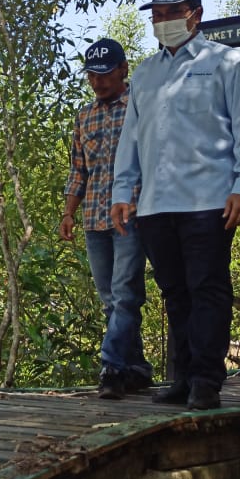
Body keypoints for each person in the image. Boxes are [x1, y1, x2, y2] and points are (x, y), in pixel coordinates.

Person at [111, 0, 240, 410]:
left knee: (208, 289)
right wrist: (123, 191)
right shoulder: (144, 74)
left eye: (169, 14)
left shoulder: (228, 63)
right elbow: (131, 140)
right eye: (156, 16)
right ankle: (182, 377)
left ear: (193, 15)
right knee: (174, 292)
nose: (161, 22)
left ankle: (206, 381)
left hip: (210, 200)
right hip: (157, 205)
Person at [60, 38, 153, 400]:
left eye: (104, 74)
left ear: (122, 70)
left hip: (131, 214)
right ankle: (137, 369)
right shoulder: (84, 116)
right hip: (93, 219)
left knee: (125, 294)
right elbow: (77, 171)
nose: (98, 82)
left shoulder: (140, 106)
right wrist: (68, 212)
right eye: (91, 76)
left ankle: (111, 366)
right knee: (111, 300)